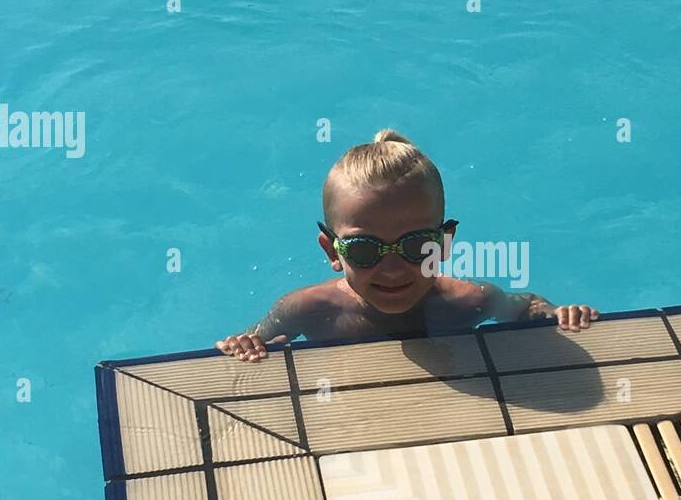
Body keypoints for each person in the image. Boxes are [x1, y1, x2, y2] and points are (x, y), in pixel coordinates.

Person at [216, 129, 599, 362]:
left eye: (415, 246)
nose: (393, 268)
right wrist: (245, 345)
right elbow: (260, 337)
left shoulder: (469, 301)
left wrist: (555, 313)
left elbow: (525, 307)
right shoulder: (307, 309)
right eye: (365, 249)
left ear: (444, 244)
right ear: (333, 252)